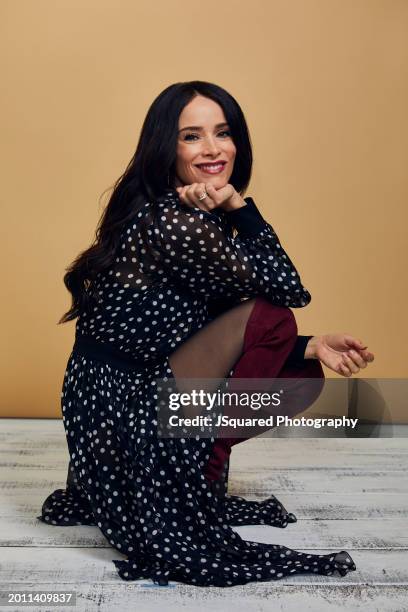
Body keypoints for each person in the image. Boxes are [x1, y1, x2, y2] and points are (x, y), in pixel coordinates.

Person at [37, 80, 374, 587]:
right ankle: (207, 461)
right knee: (276, 319)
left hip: (109, 386)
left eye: (223, 133)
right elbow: (288, 291)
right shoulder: (179, 221)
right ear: (164, 147)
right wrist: (240, 207)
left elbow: (197, 318)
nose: (213, 149)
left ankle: (202, 461)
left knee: (302, 368)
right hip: (124, 398)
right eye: (191, 136)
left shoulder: (166, 208)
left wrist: (311, 345)